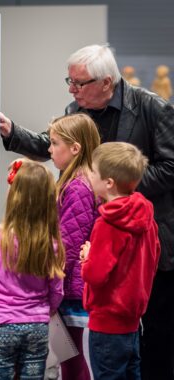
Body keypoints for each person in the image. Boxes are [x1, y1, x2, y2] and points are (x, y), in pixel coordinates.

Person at [0, 43, 174, 380]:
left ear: (106, 83)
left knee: (155, 340)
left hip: (146, 241)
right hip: (103, 249)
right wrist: (10, 129)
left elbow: (171, 167)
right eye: (70, 81)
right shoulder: (76, 108)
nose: (71, 89)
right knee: (114, 351)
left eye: (79, 83)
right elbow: (52, 144)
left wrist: (116, 188)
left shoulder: (152, 107)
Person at [0, 159, 65, 380]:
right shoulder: (51, 243)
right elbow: (57, 291)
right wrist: (46, 310)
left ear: (13, 195)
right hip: (36, 325)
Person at [80, 142, 161, 379]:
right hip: (133, 323)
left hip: (106, 324)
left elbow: (94, 275)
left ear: (109, 183)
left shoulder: (106, 224)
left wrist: (87, 257)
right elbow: (153, 261)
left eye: (92, 171)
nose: (88, 174)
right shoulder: (147, 218)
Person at [47, 113, 100, 380]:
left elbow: (68, 244)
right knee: (70, 357)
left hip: (70, 288)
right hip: (70, 287)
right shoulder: (76, 181)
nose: (49, 149)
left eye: (55, 143)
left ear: (75, 148)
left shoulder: (77, 187)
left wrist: (52, 286)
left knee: (72, 359)